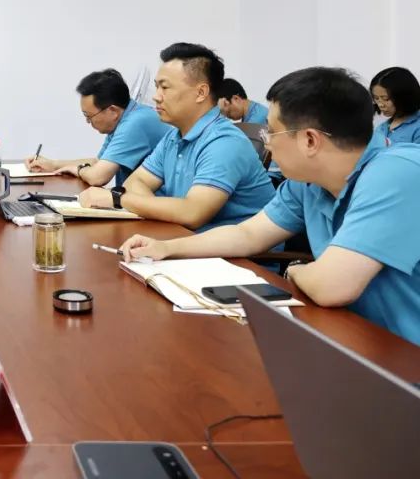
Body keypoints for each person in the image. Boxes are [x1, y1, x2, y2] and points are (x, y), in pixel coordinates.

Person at [120, 67, 420, 346]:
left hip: (403, 355)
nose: (267, 144)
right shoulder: (308, 182)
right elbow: (248, 234)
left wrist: (296, 270)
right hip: (350, 338)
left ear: (310, 140)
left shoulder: (397, 173)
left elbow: (332, 287)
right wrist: (166, 248)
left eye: (271, 132)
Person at [79, 43, 274, 232]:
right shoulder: (174, 136)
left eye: (165, 87)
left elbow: (192, 213)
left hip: (237, 252)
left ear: (201, 93)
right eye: (156, 87)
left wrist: (118, 199)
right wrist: (165, 211)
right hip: (184, 239)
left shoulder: (224, 142)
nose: (156, 96)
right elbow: (135, 182)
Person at [25, 69, 168, 186]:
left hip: (155, 206)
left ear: (112, 111)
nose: (88, 122)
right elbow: (98, 163)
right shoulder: (126, 116)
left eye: (89, 116)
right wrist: (53, 164)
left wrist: (79, 170)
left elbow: (98, 177)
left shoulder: (135, 123)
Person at [368, 67, 420, 149]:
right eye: (376, 98)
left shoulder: (417, 127)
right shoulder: (382, 128)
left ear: (404, 97)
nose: (380, 104)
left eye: (386, 99)